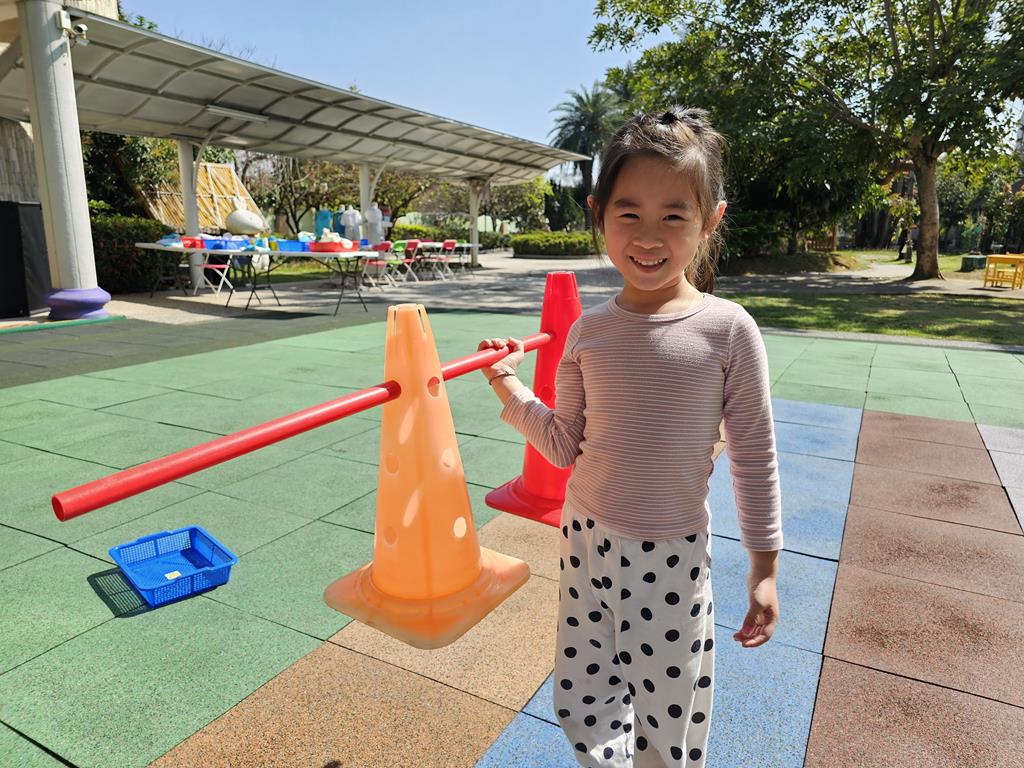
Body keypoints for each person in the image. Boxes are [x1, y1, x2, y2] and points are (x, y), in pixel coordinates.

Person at [477, 107, 782, 768]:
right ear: (598, 214)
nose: (648, 235)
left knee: (669, 719)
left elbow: (754, 458)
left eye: (673, 215)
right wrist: (506, 383)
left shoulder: (727, 330)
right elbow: (564, 444)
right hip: (585, 540)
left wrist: (764, 569)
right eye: (628, 212)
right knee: (580, 701)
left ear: (710, 220)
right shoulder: (589, 332)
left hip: (671, 556)